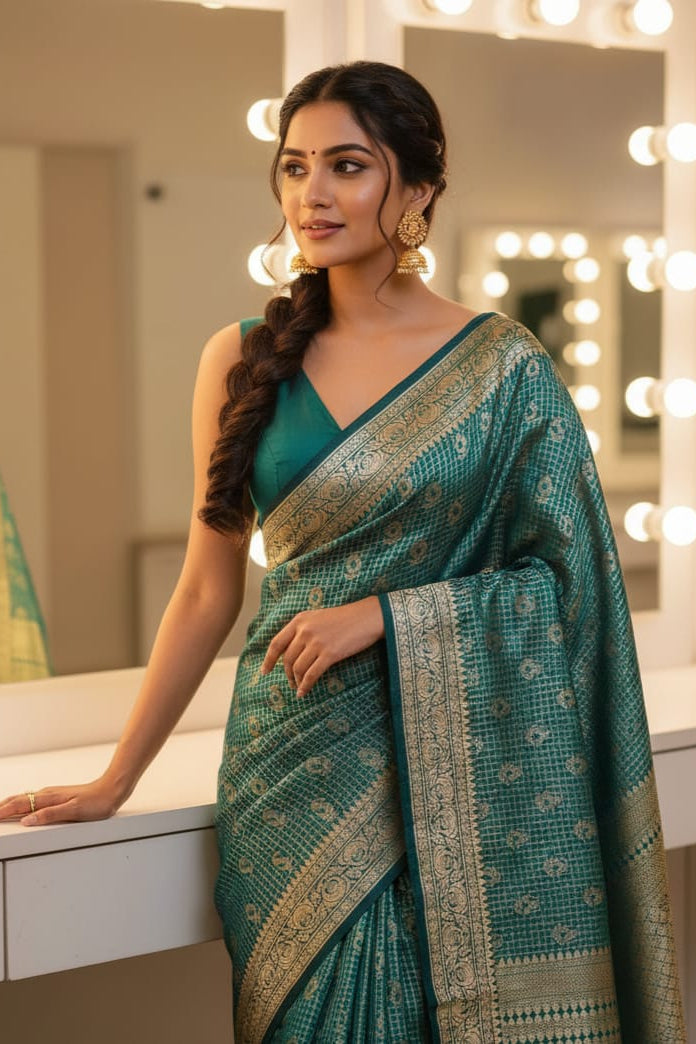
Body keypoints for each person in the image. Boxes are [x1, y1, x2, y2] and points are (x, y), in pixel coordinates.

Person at [0, 61, 685, 1043]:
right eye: (293, 167)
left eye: (348, 166)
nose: (312, 195)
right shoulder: (240, 358)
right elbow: (205, 589)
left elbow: (570, 582)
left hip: (449, 765)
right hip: (290, 755)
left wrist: (390, 616)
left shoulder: (504, 370)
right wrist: (118, 776)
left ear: (417, 192)